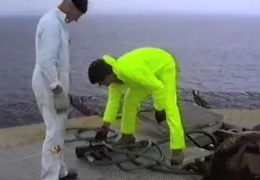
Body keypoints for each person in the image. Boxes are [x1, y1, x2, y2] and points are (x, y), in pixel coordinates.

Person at [87, 47, 186, 165]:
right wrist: (105, 127)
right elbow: (113, 102)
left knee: (170, 107)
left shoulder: (130, 71)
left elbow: (158, 87)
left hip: (164, 65)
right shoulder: (114, 81)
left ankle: (178, 148)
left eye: (100, 82)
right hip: (146, 73)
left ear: (108, 75)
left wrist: (159, 109)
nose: (100, 85)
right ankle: (127, 136)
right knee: (129, 101)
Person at [32, 0, 88, 179]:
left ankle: (60, 171)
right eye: (77, 15)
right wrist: (56, 88)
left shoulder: (59, 24)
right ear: (70, 6)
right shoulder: (51, 24)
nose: (77, 20)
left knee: (59, 130)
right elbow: (46, 61)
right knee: (54, 130)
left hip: (56, 85)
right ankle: (50, 176)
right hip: (49, 85)